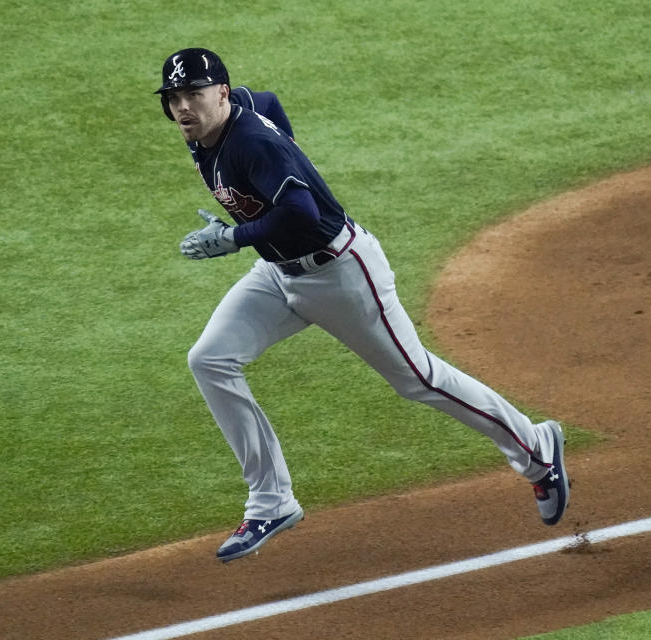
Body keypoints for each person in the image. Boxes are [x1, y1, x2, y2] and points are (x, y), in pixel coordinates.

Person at [154, 48, 570, 563]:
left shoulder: (253, 145)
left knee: (417, 379)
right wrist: (290, 157)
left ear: (219, 92)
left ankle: (536, 450)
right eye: (174, 98)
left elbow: (302, 212)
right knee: (210, 359)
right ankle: (271, 500)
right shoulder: (219, 123)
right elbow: (267, 100)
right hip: (279, 274)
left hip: (341, 275)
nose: (183, 108)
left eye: (194, 93)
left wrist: (236, 236)